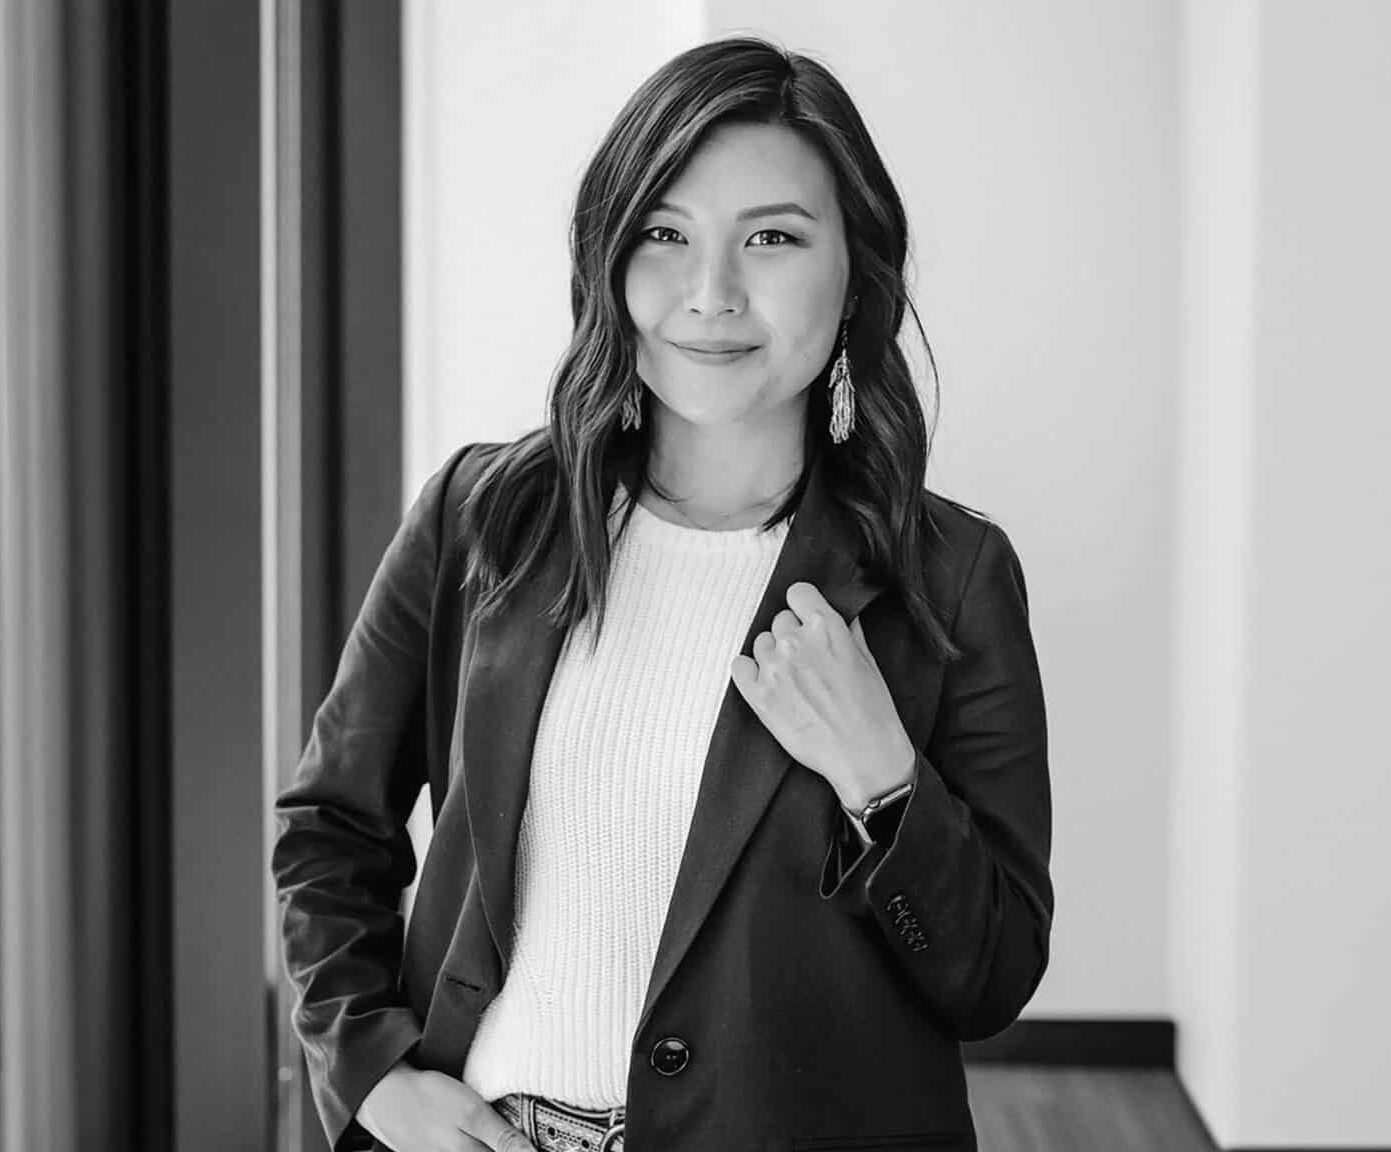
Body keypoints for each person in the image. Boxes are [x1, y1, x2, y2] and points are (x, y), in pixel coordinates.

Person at [271, 34, 1052, 1152]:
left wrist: (883, 779)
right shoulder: (478, 519)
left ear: (855, 269)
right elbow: (328, 832)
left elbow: (991, 972)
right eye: (664, 235)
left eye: (771, 238)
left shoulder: (949, 578)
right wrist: (372, 1072)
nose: (710, 293)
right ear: (609, 259)